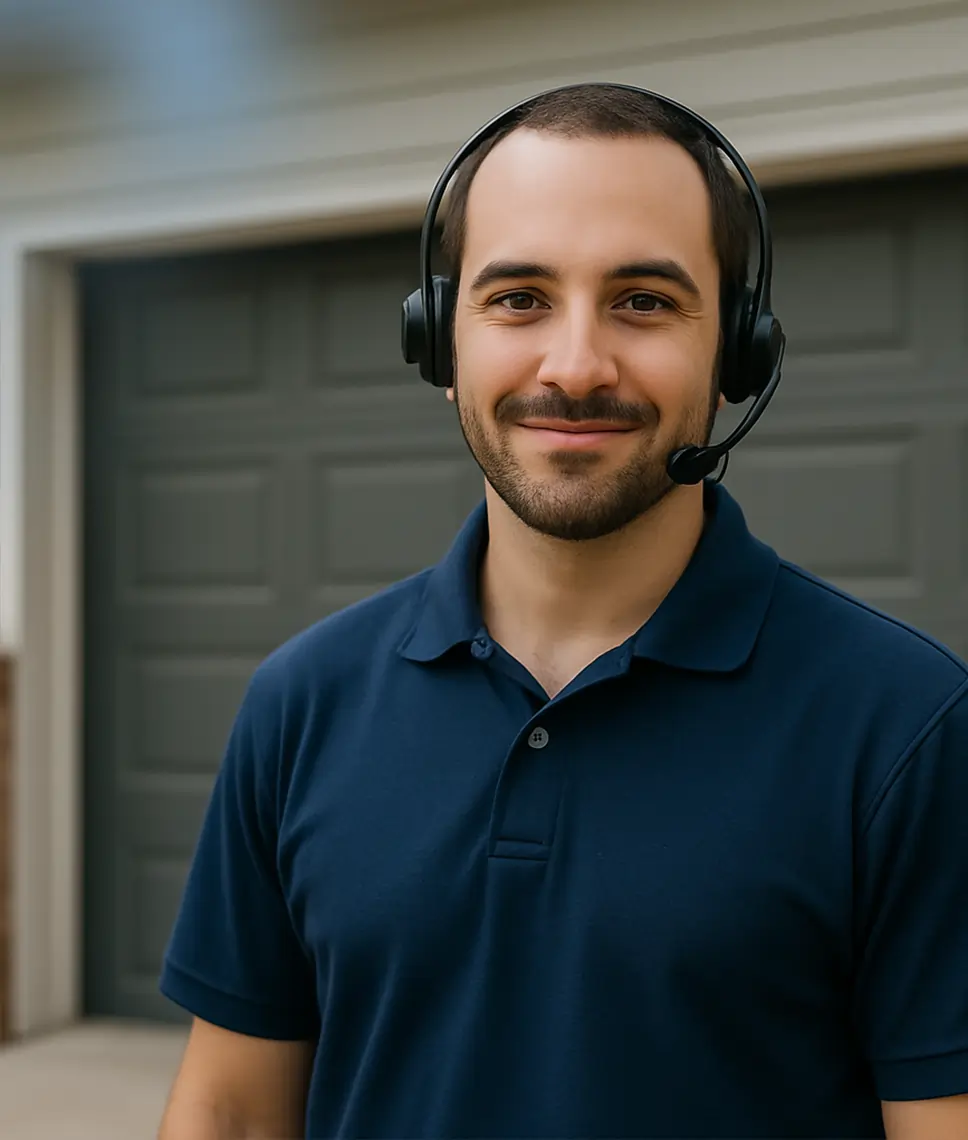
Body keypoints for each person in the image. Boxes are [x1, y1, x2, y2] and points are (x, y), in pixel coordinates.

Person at [156, 83, 968, 1140]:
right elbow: (230, 1112)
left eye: (641, 300)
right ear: (439, 347)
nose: (575, 365)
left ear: (737, 352)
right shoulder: (301, 703)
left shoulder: (903, 726)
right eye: (517, 298)